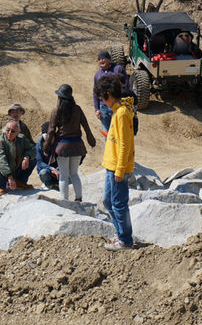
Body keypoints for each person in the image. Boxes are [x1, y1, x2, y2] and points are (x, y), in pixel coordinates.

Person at [94, 74, 136, 251]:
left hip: (118, 168)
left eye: (102, 98)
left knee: (119, 203)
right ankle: (120, 234)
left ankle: (125, 240)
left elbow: (125, 143)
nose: (102, 102)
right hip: (111, 165)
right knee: (108, 201)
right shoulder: (117, 110)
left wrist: (120, 169)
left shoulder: (121, 113)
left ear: (109, 94)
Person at [44, 84, 96, 202]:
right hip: (77, 145)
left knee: (63, 175)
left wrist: (46, 148)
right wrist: (91, 140)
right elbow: (86, 126)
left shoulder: (56, 111)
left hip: (62, 146)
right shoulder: (77, 109)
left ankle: (64, 200)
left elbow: (51, 130)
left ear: (60, 98)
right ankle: (78, 198)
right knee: (74, 174)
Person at [0, 119, 36, 196]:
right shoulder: (1, 141)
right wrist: (9, 176)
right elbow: (0, 159)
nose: (9, 133)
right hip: (6, 171)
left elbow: (32, 149)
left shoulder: (21, 139)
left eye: (13, 131)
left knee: (33, 160)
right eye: (7, 130)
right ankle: (2, 186)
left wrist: (27, 157)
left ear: (18, 133)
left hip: (16, 168)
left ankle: (20, 182)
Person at [92, 50, 129, 132]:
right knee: (107, 134)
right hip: (103, 108)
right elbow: (95, 93)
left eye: (103, 58)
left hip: (117, 106)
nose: (101, 61)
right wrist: (97, 109)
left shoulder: (118, 69)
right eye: (99, 59)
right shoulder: (97, 75)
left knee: (118, 131)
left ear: (109, 59)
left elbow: (126, 86)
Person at [36, 122, 60, 190]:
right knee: (43, 173)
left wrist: (57, 169)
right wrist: (51, 168)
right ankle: (50, 185)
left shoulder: (59, 142)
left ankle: (58, 183)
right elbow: (39, 162)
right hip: (47, 169)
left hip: (59, 167)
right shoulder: (39, 145)